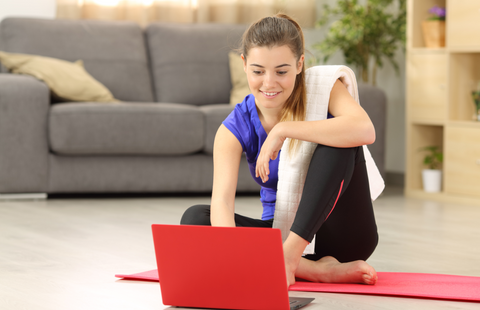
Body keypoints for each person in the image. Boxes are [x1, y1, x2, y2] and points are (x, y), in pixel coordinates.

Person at [180, 13, 379, 287]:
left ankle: (289, 259)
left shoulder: (323, 89)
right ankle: (315, 270)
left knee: (339, 142)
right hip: (279, 232)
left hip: (343, 235)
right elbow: (223, 204)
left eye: (282, 71)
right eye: (258, 71)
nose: (269, 83)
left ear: (299, 64)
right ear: (244, 64)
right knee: (195, 219)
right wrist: (228, 252)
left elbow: (364, 130)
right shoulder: (234, 128)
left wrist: (284, 130)